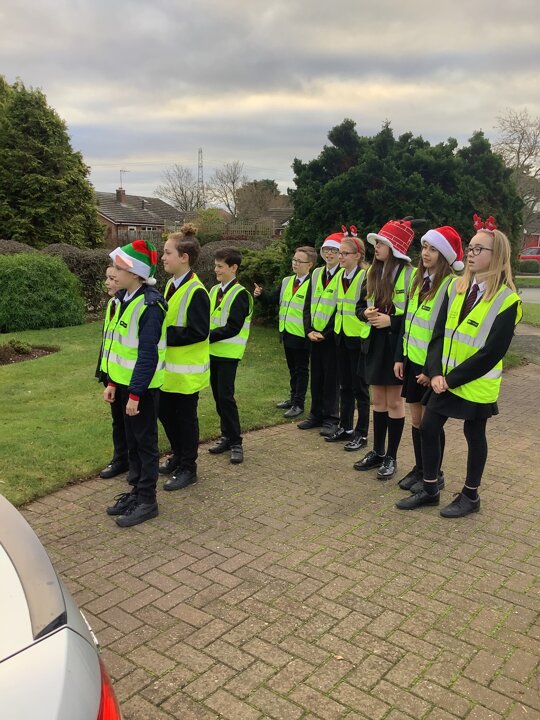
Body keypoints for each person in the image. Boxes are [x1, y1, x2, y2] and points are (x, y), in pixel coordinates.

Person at [396, 216, 522, 516]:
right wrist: (436, 372)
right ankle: (430, 488)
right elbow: (438, 334)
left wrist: (449, 379)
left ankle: (470, 495)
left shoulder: (508, 301)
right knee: (428, 427)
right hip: (445, 379)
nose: (471, 253)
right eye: (470, 247)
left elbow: (491, 353)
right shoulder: (457, 288)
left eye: (479, 249)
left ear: (497, 255)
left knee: (474, 435)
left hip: (475, 384)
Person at [394, 225, 464, 493]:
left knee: (429, 424)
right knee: (416, 420)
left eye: (433, 249)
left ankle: (435, 473)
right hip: (412, 360)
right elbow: (408, 322)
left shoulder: (450, 285)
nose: (426, 253)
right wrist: (400, 357)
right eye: (424, 247)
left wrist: (431, 369)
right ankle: (421, 468)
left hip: (431, 367)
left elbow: (447, 332)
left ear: (444, 255)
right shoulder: (418, 279)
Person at [102, 240, 166, 527]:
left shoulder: (150, 305)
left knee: (145, 443)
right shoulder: (123, 300)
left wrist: (136, 394)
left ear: (135, 273)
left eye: (119, 269)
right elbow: (119, 348)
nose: (114, 273)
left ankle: (147, 500)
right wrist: (113, 382)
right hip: (126, 385)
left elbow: (147, 355)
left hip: (143, 389)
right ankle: (136, 492)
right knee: (133, 443)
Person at [353, 218, 419, 479]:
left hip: (395, 346)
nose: (376, 247)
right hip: (373, 344)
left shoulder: (411, 275)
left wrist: (391, 321)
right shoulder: (371, 273)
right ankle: (378, 451)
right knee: (378, 400)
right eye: (376, 243)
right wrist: (365, 314)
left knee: (394, 402)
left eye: (381, 243)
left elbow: (416, 317)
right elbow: (359, 307)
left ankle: (391, 456)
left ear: (395, 247)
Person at [159, 223, 210, 491]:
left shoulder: (197, 291)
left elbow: (199, 332)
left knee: (185, 420)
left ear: (184, 257)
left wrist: (162, 335)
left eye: (168, 253)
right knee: (165, 414)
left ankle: (189, 468)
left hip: (187, 374)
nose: (163, 257)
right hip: (168, 371)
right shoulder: (170, 284)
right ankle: (178, 455)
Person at [254, 246, 317, 419]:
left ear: (310, 264)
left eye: (299, 261)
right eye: (294, 260)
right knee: (292, 369)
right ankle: (292, 398)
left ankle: (299, 403)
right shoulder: (287, 281)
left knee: (301, 370)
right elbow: (272, 299)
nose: (295, 263)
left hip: (302, 335)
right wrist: (261, 294)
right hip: (287, 333)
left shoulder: (313, 284)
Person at [325, 231, 371, 450]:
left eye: (345, 253)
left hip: (358, 339)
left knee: (360, 389)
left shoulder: (366, 277)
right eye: (339, 253)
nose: (340, 257)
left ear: (357, 255)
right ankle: (345, 427)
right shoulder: (339, 276)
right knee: (344, 386)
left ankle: (362, 433)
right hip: (341, 337)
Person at [207, 247, 253, 465]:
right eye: (215, 266)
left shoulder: (241, 294)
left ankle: (236, 442)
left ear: (233, 268)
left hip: (229, 354)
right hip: (212, 353)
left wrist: (205, 336)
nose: (216, 270)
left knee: (226, 397)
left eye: (220, 266)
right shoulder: (214, 290)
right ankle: (226, 436)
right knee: (218, 397)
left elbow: (233, 327)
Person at [298, 230, 343, 435]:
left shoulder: (343, 275)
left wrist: (327, 333)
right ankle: (315, 414)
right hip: (314, 335)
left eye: (334, 250)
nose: (330, 254)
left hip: (331, 337)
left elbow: (341, 308)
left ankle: (331, 418)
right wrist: (308, 329)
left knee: (331, 379)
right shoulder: (316, 273)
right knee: (316, 377)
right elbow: (308, 304)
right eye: (326, 250)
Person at [96, 265, 129, 479]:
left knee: (130, 423)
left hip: (124, 374)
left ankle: (133, 462)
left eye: (112, 278)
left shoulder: (128, 306)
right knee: (117, 420)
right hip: (110, 371)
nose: (107, 282)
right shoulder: (112, 304)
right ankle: (121, 459)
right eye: (107, 278)